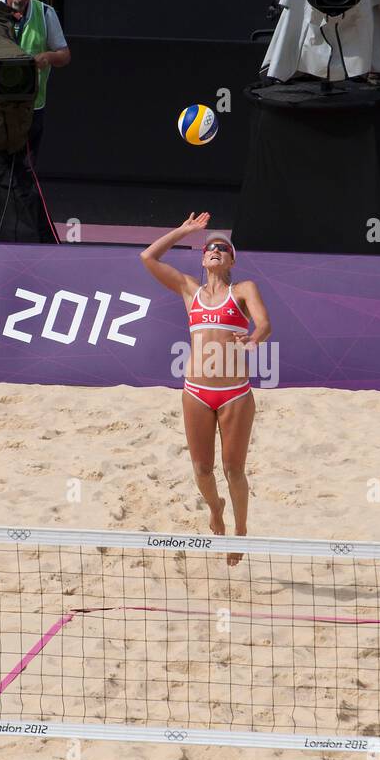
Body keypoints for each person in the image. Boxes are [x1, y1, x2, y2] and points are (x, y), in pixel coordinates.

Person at [141, 213, 272, 564]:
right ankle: (216, 509)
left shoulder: (243, 290)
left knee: (233, 469)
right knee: (202, 469)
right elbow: (148, 257)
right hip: (196, 390)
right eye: (209, 248)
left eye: (223, 248)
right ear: (202, 258)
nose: (215, 250)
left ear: (231, 259)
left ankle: (241, 531)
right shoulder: (189, 290)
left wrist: (254, 338)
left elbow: (265, 324)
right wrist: (183, 231)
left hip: (235, 393)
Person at [0, 0, 69, 169]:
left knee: (24, 170)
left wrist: (48, 57)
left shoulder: (45, 13)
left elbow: (64, 55)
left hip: (32, 106)